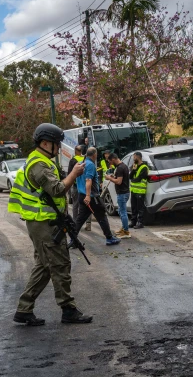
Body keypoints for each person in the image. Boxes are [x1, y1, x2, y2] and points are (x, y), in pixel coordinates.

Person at [7, 123, 93, 326]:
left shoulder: (42, 161)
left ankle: (24, 309)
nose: (58, 148)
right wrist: (75, 174)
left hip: (45, 221)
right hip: (43, 223)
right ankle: (68, 309)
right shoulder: (39, 164)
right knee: (60, 264)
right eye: (56, 144)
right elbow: (56, 189)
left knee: (44, 266)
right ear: (45, 143)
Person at [74, 147, 120, 246]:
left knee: (80, 218)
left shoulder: (81, 163)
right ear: (94, 154)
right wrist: (88, 195)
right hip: (91, 197)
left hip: (81, 195)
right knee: (102, 215)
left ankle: (73, 239)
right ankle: (109, 238)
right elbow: (88, 180)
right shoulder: (90, 165)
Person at [104, 152, 130, 238]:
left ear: (114, 159)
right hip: (124, 192)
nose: (110, 164)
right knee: (121, 211)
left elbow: (119, 182)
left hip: (122, 193)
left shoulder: (120, 168)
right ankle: (124, 228)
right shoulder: (123, 166)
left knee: (123, 212)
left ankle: (126, 232)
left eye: (110, 162)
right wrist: (113, 176)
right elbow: (119, 178)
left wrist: (109, 178)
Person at [129, 152, 149, 229]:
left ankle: (140, 223)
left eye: (134, 157)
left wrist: (133, 180)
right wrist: (133, 170)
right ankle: (133, 222)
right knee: (133, 207)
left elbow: (139, 178)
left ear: (138, 157)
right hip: (133, 190)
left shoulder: (144, 167)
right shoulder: (134, 166)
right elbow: (130, 176)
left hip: (140, 190)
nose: (133, 159)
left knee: (140, 208)